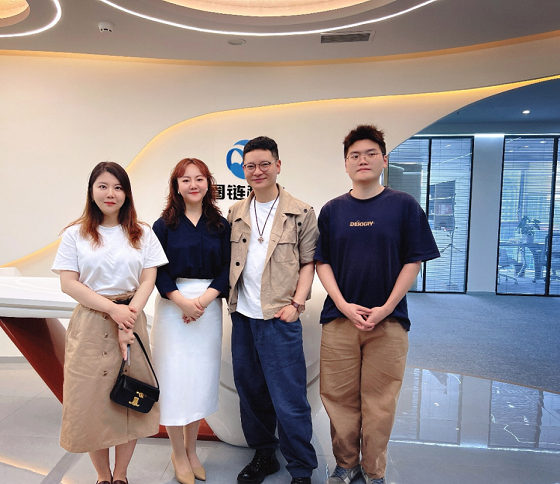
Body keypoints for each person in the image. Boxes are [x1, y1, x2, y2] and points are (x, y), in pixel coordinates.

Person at [315, 125, 440, 484]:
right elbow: (322, 262)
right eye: (355, 155)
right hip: (340, 320)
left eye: (371, 153)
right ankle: (345, 464)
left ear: (384, 160)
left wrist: (386, 307)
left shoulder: (404, 205)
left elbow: (413, 261)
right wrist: (343, 304)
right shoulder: (332, 210)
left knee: (380, 400)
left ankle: (373, 470)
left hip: (389, 322)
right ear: (345, 164)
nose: (363, 160)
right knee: (338, 397)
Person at [52, 161, 168, 484]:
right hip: (91, 323)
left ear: (126, 194)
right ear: (91, 191)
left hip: (131, 319)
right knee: (91, 402)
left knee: (129, 399)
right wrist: (113, 311)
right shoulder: (75, 234)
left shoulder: (142, 232)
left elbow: (148, 279)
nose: (110, 193)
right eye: (103, 186)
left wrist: (128, 316)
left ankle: (121, 475)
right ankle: (102, 476)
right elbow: (68, 283)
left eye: (118, 187)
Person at [227, 136, 319, 484]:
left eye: (264, 164)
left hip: (280, 318)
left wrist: (297, 304)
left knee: (289, 398)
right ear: (243, 169)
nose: (257, 171)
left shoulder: (301, 212)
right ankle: (264, 455)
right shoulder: (235, 212)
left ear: (278, 166)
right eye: (250, 166)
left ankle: (301, 469)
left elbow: (309, 263)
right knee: (251, 393)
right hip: (244, 318)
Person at [151, 158, 230, 484]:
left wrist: (204, 300)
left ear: (209, 183)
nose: (193, 185)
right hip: (173, 308)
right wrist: (182, 301)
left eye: (199, 179)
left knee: (198, 379)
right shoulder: (163, 225)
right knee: (174, 380)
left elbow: (229, 267)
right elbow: (156, 271)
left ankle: (191, 449)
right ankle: (178, 453)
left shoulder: (220, 225)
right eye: (186, 179)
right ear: (176, 186)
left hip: (208, 307)